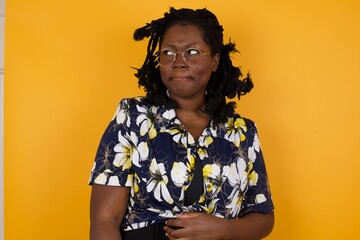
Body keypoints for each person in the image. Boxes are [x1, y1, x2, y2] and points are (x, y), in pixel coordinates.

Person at [89, 7, 274, 240]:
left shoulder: (242, 132)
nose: (178, 62)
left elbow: (263, 215)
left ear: (215, 60)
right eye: (168, 53)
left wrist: (225, 229)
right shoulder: (134, 117)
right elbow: (104, 221)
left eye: (193, 52)